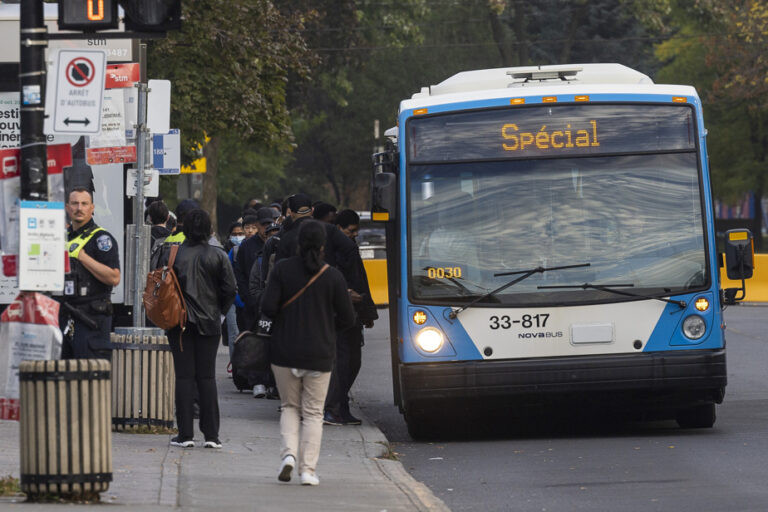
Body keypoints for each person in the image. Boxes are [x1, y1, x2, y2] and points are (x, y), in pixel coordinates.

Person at [260, 220, 355, 486]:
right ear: (323, 246)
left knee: (289, 406)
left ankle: (288, 455)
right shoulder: (333, 276)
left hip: (284, 351)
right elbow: (348, 318)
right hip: (320, 352)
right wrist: (326, 326)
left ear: (298, 243)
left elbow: (267, 307)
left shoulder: (281, 270)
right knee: (313, 413)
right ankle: (308, 470)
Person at [155, 209, 236, 449]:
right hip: (210, 322)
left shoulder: (171, 254)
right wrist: (218, 310)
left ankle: (185, 434)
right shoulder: (218, 255)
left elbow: (159, 285)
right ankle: (212, 435)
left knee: (184, 377)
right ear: (209, 229)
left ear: (184, 228)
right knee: (207, 377)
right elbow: (230, 289)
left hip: (178, 322)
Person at [324, 209, 378, 426]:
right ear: (338, 229)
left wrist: (367, 311)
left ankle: (340, 405)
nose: (354, 235)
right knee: (344, 363)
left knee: (352, 362)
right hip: (339, 317)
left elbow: (361, 281)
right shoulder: (331, 253)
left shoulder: (349, 249)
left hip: (353, 315)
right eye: (350, 230)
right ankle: (334, 407)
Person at [59, 187, 121, 360]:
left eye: (84, 203)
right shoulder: (63, 238)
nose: (79, 208)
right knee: (64, 377)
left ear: (92, 208)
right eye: (75, 203)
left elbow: (114, 278)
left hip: (91, 318)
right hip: (66, 316)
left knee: (90, 379)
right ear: (67, 207)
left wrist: (83, 257)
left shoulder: (101, 239)